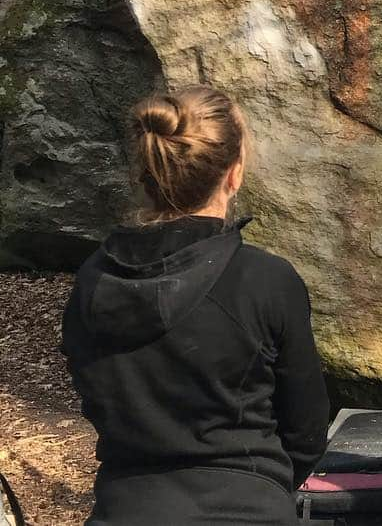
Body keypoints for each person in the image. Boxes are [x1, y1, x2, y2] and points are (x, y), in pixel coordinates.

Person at [62, 86, 330, 526]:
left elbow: (97, 397)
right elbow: (306, 431)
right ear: (234, 173)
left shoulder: (93, 280)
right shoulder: (265, 281)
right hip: (248, 507)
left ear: (147, 173)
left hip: (127, 508)